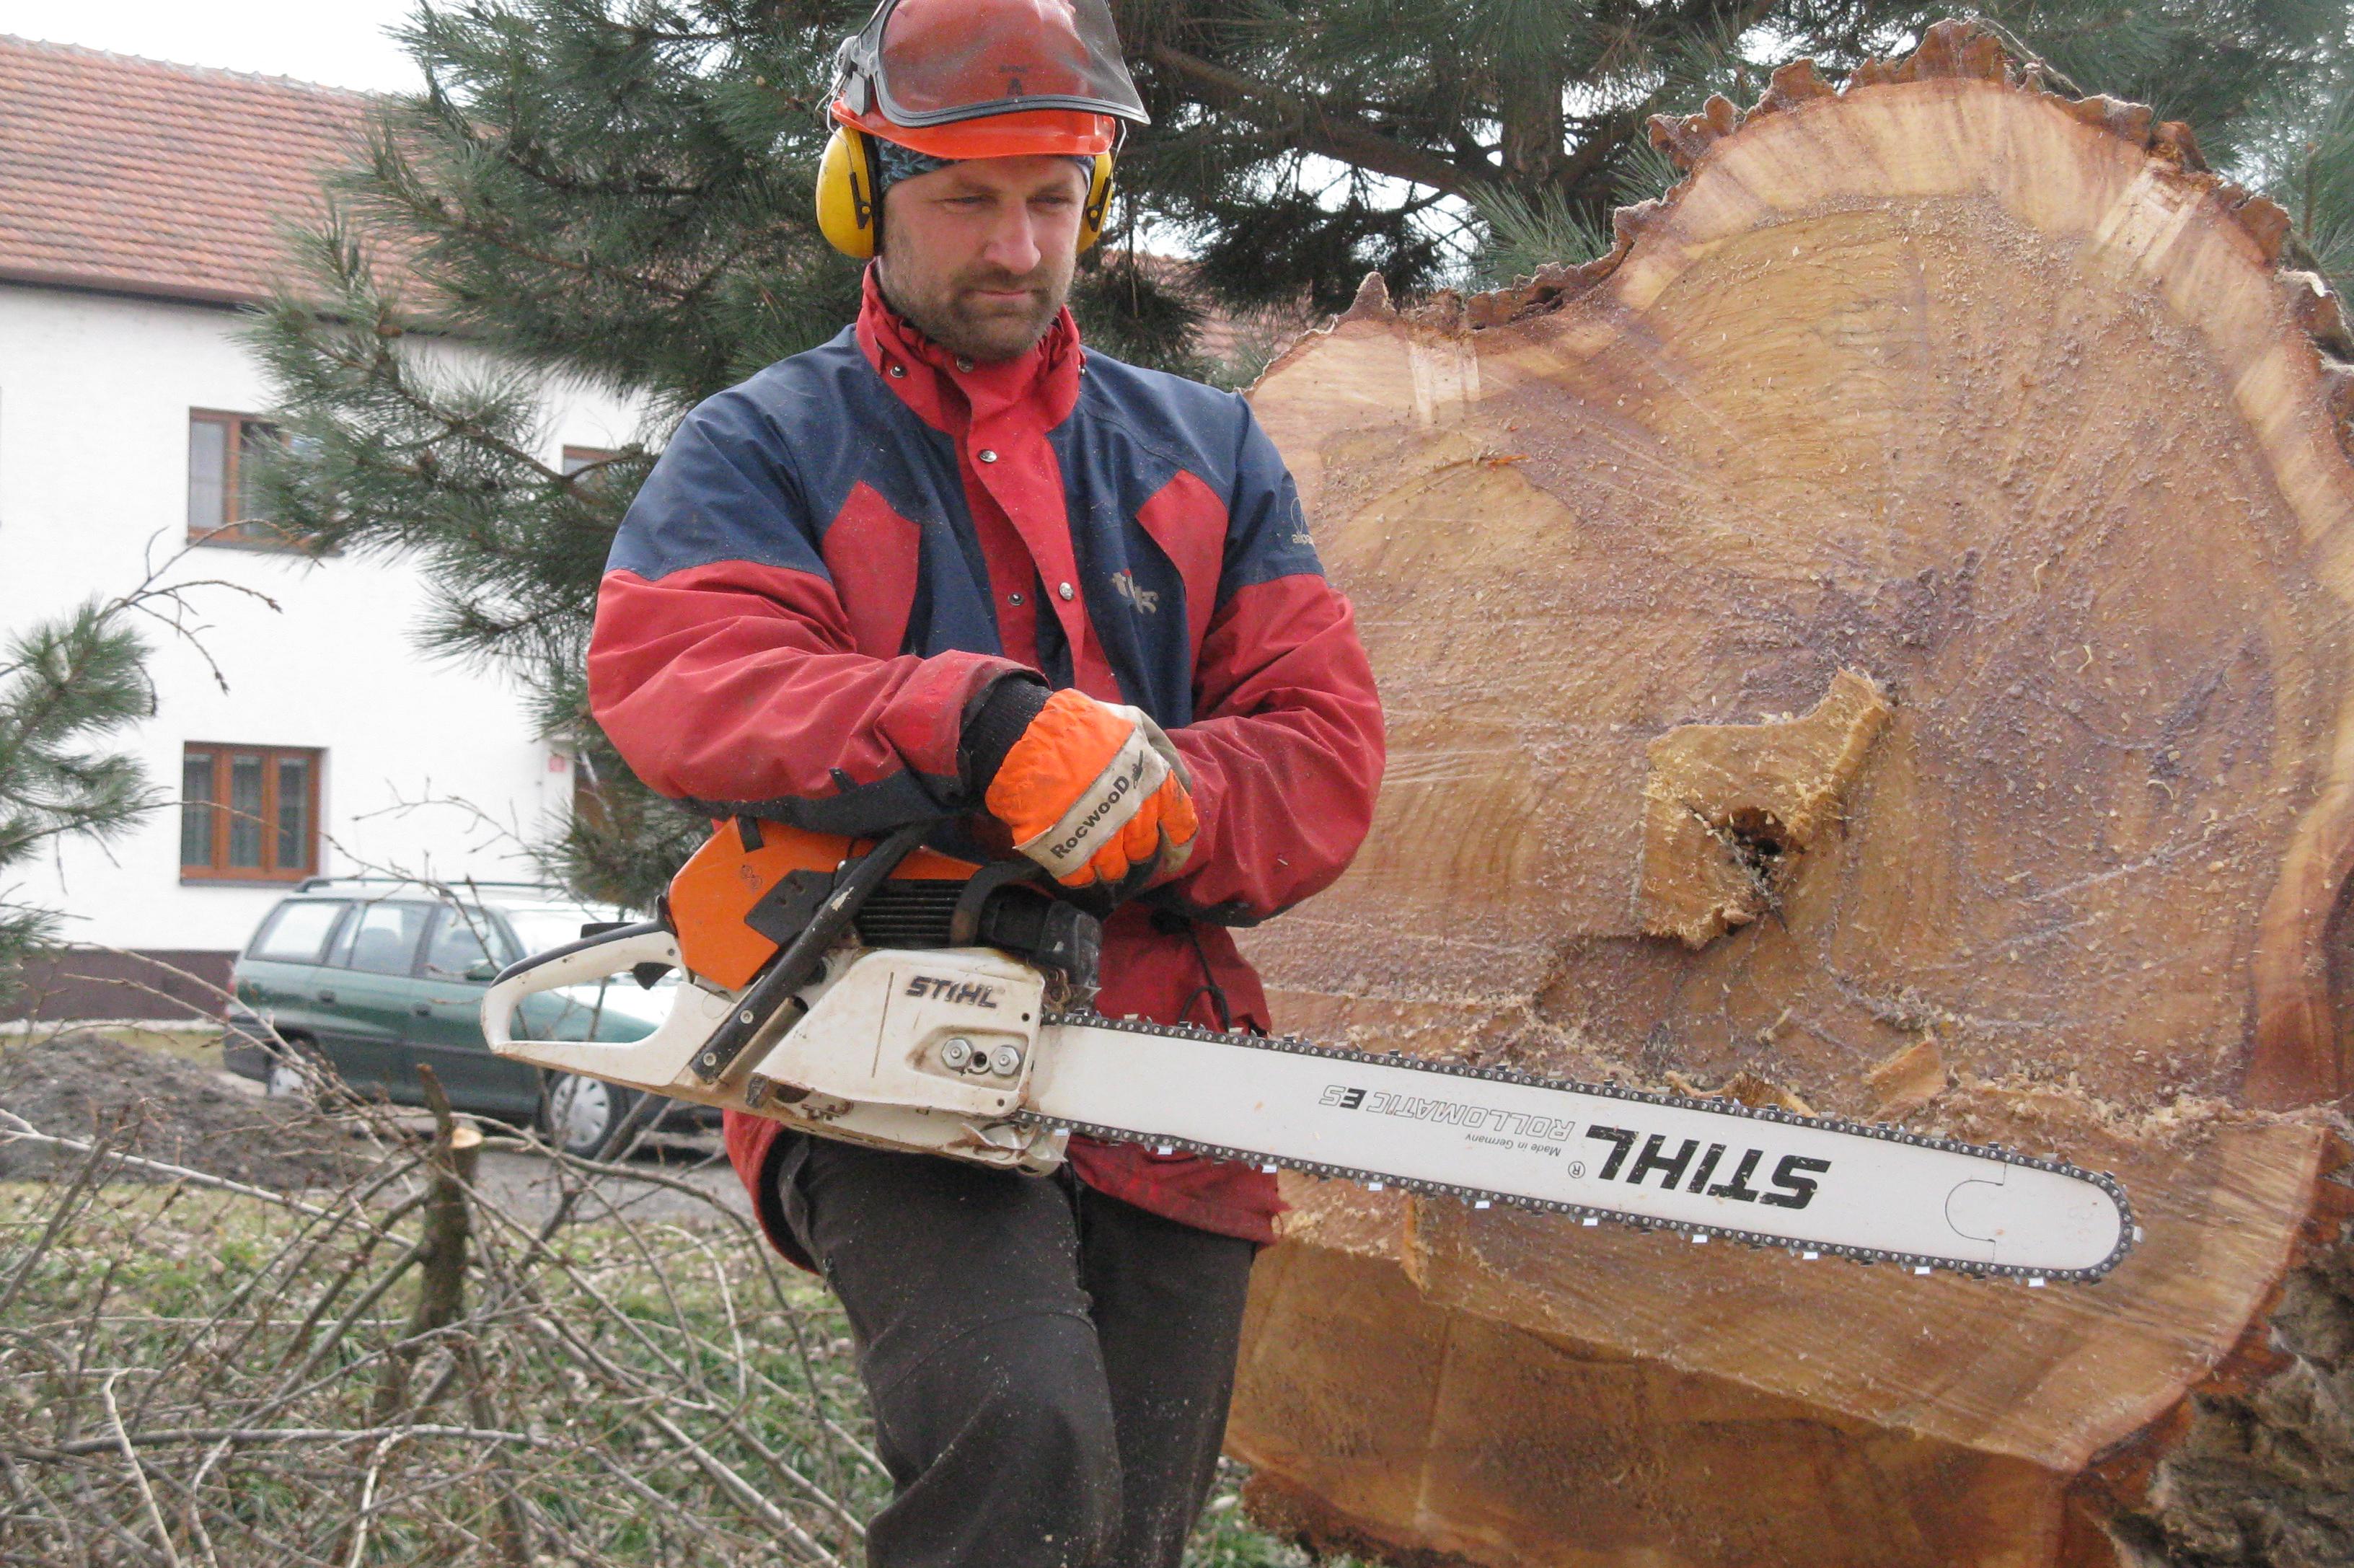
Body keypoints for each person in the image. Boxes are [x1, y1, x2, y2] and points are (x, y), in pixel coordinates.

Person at [586, 1, 1384, 1561]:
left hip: (1161, 1047)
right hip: (876, 1029)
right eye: (965, 197)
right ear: (863, 194)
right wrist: (979, 724)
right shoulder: (769, 446)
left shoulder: (1207, 451)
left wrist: (1166, 797)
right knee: (1025, 1443)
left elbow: (1321, 746)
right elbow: (682, 675)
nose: (1014, 244)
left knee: (1131, 1523)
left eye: (1048, 197)